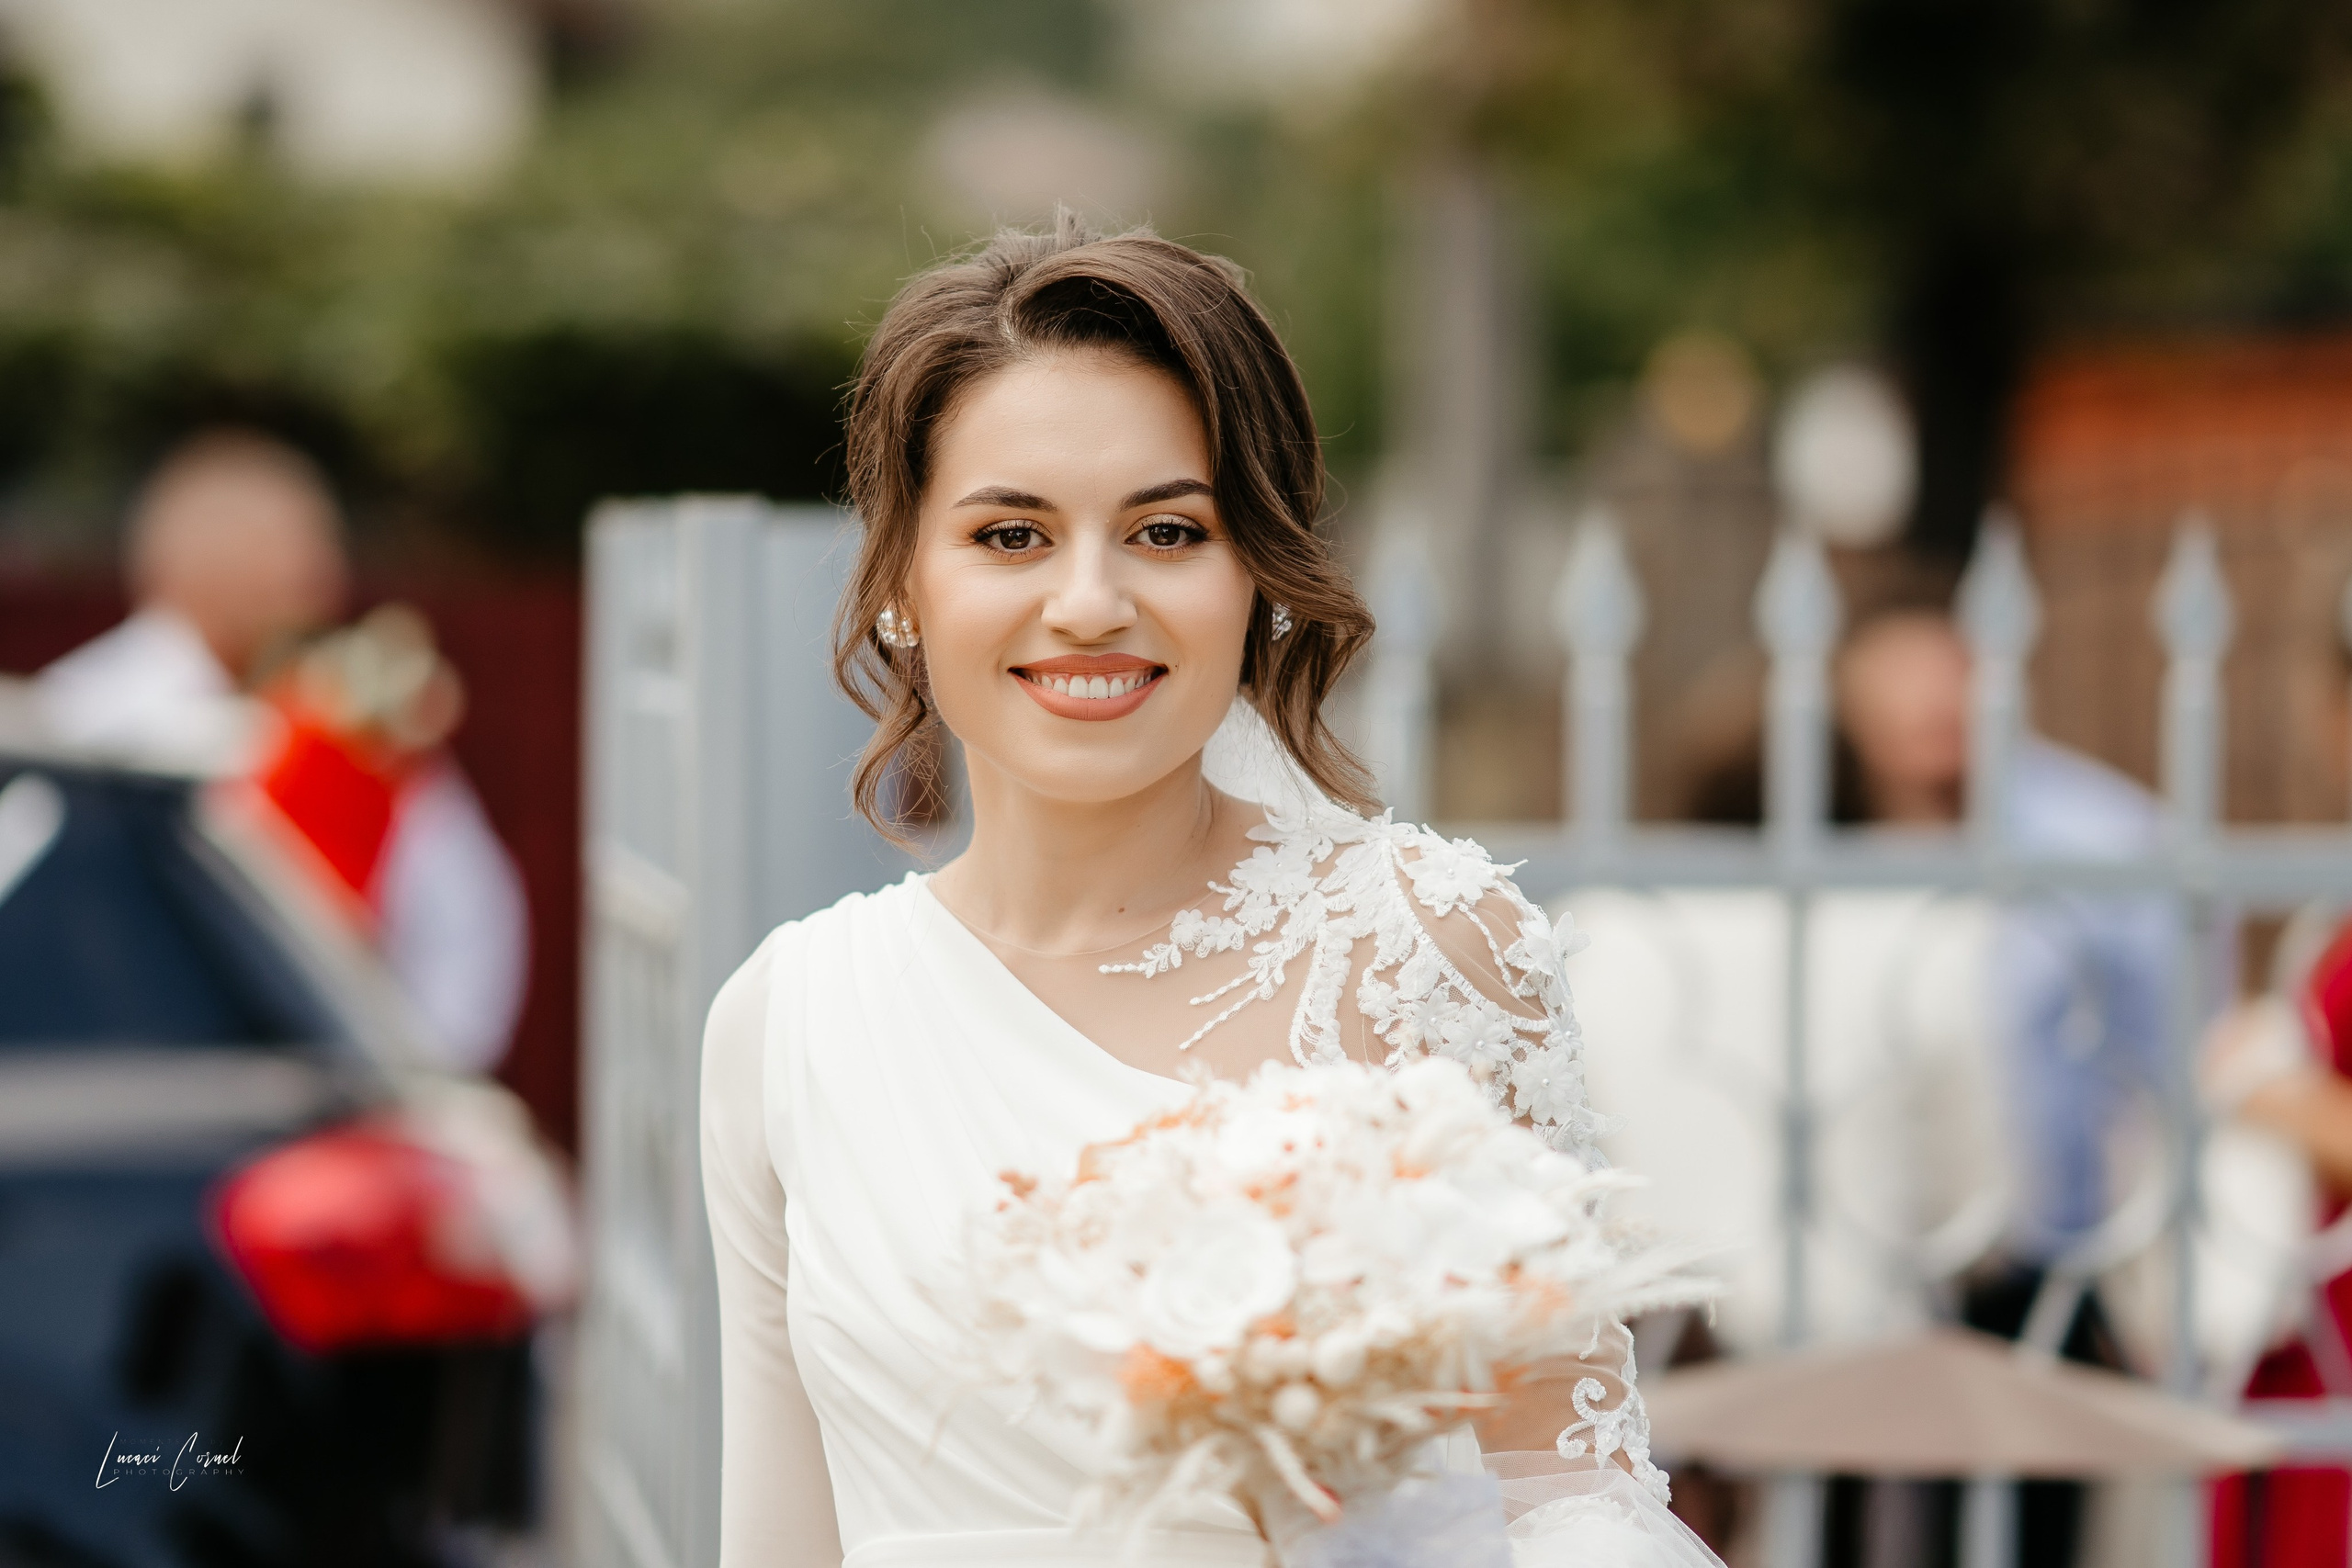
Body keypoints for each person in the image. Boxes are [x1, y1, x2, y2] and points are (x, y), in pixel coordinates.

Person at [697, 217, 1716, 1568]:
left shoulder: (1423, 946)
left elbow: (1567, 1486)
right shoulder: (788, 1019)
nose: (1088, 601)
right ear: (901, 581)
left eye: (1166, 530)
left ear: (1256, 576)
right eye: (1011, 534)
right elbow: (779, 1530)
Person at [34, 430, 529, 1073]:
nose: (324, 576)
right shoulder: (85, 720)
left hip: (320, 1115)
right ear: (194, 556)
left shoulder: (354, 716)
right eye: (293, 547)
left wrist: (415, 1081)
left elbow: (467, 921)